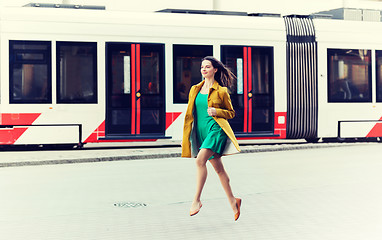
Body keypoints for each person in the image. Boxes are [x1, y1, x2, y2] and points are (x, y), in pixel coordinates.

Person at [181, 56, 242, 221]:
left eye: (207, 67)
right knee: (219, 169)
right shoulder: (194, 89)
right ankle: (233, 201)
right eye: (202, 67)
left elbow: (231, 113)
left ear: (215, 69)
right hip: (201, 132)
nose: (204, 69)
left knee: (200, 161)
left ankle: (196, 200)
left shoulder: (221, 91)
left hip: (215, 130)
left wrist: (217, 111)